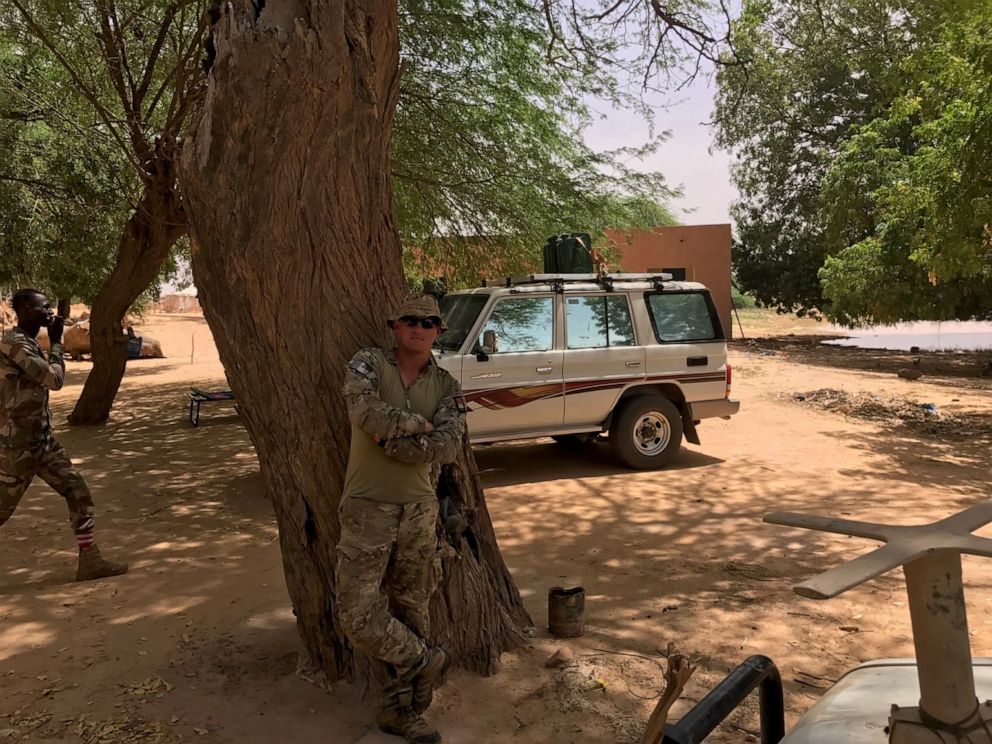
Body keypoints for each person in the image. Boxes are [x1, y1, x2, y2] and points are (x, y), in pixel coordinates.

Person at [337, 294, 467, 744]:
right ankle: (426, 659)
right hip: (366, 506)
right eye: (410, 320)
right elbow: (362, 410)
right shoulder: (369, 363)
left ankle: (405, 711)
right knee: (356, 614)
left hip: (419, 511)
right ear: (396, 326)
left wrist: (393, 441)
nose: (419, 327)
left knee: (413, 610)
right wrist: (419, 425)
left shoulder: (447, 385)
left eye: (428, 322)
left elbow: (449, 448)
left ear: (438, 331)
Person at [0, 289, 128, 581]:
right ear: (27, 311)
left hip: (42, 442)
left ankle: (89, 560)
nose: (51, 313)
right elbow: (53, 379)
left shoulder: (28, 342)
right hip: (16, 447)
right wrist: (57, 343)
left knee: (78, 491)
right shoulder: (14, 345)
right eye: (44, 308)